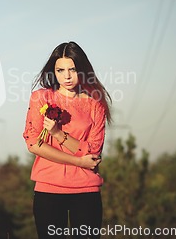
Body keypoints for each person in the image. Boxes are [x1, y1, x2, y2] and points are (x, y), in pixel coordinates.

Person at [22, 41, 112, 239]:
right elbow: (33, 143)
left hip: (86, 191)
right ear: (53, 71)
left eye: (72, 69)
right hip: (48, 190)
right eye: (60, 70)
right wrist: (79, 161)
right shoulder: (41, 98)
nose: (67, 76)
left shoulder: (95, 103)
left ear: (83, 69)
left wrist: (57, 134)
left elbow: (94, 150)